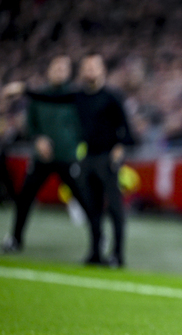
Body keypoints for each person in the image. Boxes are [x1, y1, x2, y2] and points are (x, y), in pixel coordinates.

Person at [28, 54, 135, 267]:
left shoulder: (112, 96)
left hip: (107, 158)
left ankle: (117, 255)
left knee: (114, 208)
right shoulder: (79, 95)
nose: (90, 70)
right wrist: (23, 90)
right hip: (88, 157)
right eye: (86, 67)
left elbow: (128, 132)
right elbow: (50, 97)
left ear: (103, 69)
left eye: (94, 66)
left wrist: (119, 149)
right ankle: (95, 253)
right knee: (91, 208)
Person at [2, 56, 91, 254]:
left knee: (84, 199)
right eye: (56, 66)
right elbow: (30, 125)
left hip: (67, 156)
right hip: (41, 158)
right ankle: (16, 239)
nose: (60, 70)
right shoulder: (39, 95)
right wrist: (38, 139)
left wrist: (73, 144)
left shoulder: (75, 95)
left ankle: (98, 240)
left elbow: (82, 126)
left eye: (64, 68)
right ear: (49, 69)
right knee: (25, 198)